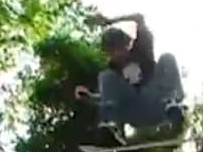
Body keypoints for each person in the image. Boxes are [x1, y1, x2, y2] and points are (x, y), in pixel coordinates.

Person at [75, 12, 185, 145]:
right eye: (111, 51)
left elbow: (139, 17)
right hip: (134, 111)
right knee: (105, 76)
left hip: (157, 104)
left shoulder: (142, 48)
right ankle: (111, 127)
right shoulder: (112, 72)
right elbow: (109, 99)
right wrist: (89, 97)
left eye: (119, 48)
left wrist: (110, 21)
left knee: (167, 57)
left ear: (127, 44)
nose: (117, 54)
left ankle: (171, 106)